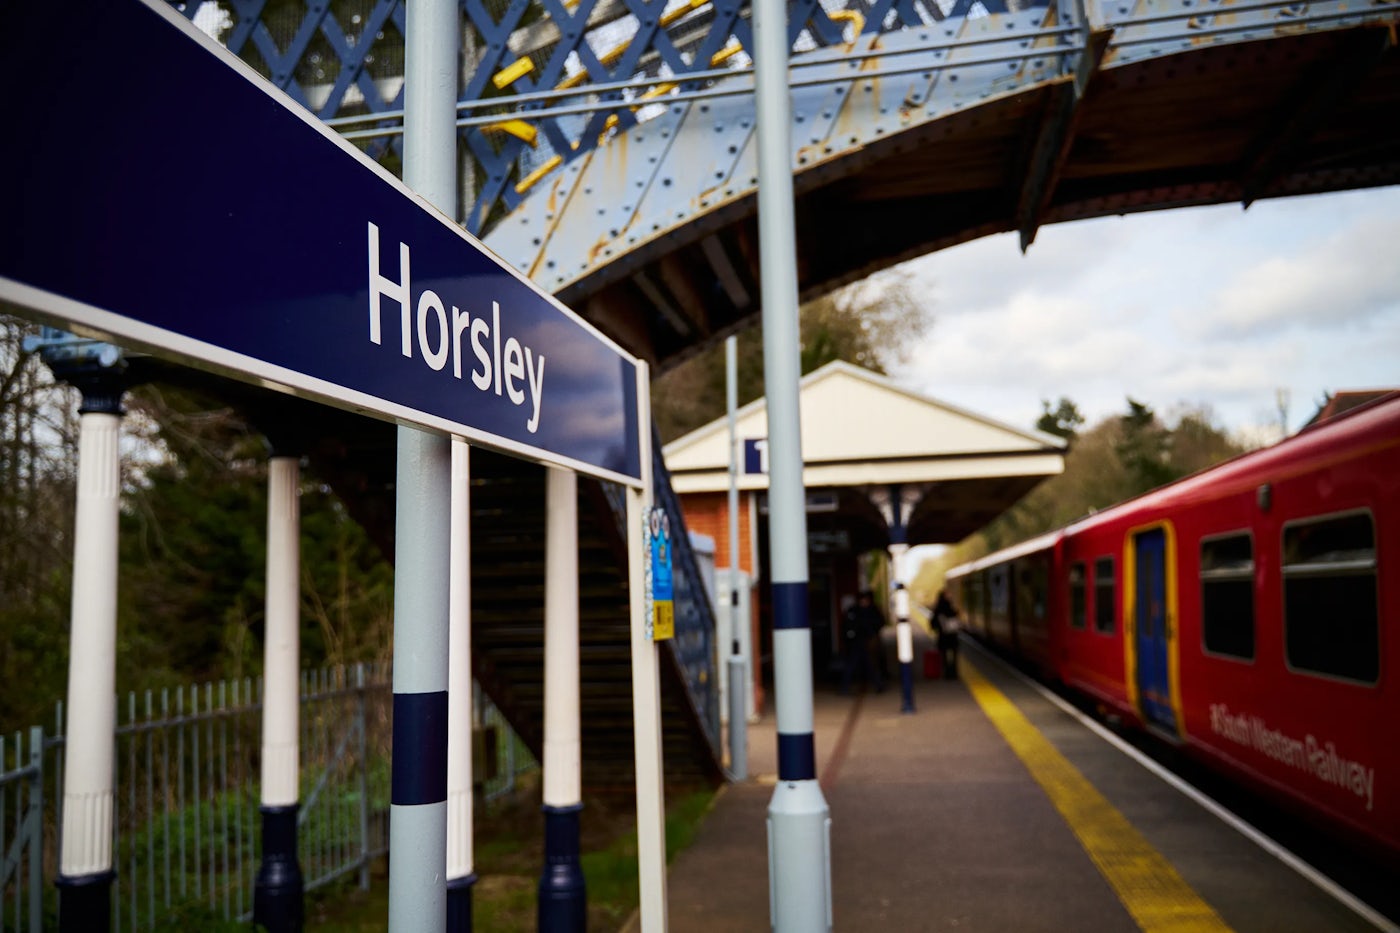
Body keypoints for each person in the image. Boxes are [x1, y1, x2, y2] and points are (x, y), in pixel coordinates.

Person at [930, 589, 960, 679]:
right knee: (954, 655)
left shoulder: (937, 608)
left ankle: (946, 673)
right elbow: (955, 617)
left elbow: (933, 623)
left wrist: (937, 629)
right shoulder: (950, 606)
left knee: (943, 655)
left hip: (942, 637)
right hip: (952, 636)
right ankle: (954, 673)